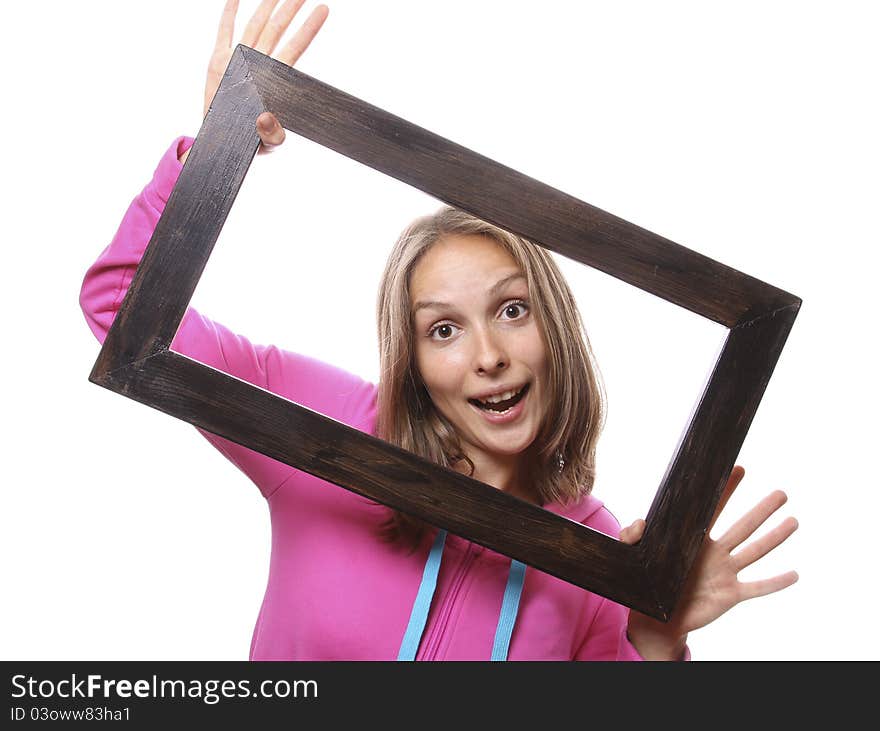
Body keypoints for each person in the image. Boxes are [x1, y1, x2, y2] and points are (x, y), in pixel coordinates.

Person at [80, 0, 798, 661]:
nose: (488, 356)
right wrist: (216, 150)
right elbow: (122, 307)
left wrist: (653, 642)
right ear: (414, 356)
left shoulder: (606, 555)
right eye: (444, 329)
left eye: (512, 310)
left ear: (557, 330)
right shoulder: (326, 424)